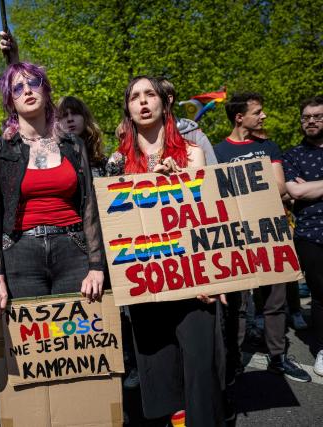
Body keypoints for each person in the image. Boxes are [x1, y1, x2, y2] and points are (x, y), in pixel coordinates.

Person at [108, 75, 227, 426]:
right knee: (162, 373)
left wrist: (213, 277)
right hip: (147, 282)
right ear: (128, 108)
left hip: (193, 281)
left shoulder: (193, 152)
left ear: (165, 102)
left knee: (199, 371)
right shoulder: (117, 161)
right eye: (134, 97)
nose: (143, 102)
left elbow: (207, 216)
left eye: (150, 95)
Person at [0, 61, 104, 319]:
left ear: (45, 90)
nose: (27, 90)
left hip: (73, 250)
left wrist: (96, 265)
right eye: (17, 88)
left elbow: (89, 205)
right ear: (10, 101)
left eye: (33, 83)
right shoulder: (0, 149)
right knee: (34, 346)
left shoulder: (74, 144)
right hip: (20, 253)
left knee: (80, 339)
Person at [213, 92, 311, 384]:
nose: (264, 116)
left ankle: (278, 356)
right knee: (238, 301)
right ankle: (234, 359)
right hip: (236, 234)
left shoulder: (269, 146)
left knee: (275, 299)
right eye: (258, 112)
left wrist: (242, 186)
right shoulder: (218, 151)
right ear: (239, 117)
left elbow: (279, 186)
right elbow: (219, 193)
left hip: (271, 231)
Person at [282, 95, 323, 376]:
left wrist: (312, 186)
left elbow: (305, 189)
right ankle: (322, 349)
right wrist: (303, 189)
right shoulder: (293, 155)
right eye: (306, 117)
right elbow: (295, 192)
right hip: (311, 234)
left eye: (317, 116)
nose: (310, 121)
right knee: (320, 295)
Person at [158, 78, 219, 165]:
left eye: (152, 95)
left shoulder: (195, 136)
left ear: (168, 100)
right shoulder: (140, 137)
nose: (145, 101)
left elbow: (214, 172)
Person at [56, 96, 108, 176]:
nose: (70, 119)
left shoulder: (101, 161)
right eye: (64, 115)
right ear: (57, 122)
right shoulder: (53, 159)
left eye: (75, 113)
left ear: (85, 118)